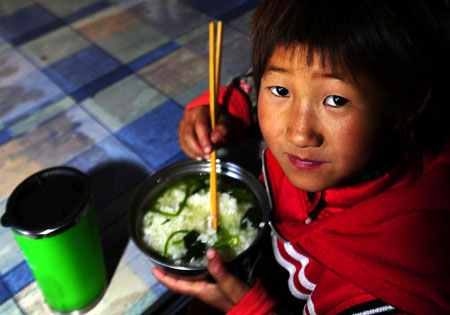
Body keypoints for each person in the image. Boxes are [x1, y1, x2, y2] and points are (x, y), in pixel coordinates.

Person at [152, 0, 450, 313]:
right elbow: (257, 83)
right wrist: (224, 112)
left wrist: (255, 310)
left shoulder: (404, 274)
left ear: (408, 105)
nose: (298, 134)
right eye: (281, 92)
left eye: (336, 100)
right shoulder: (322, 153)